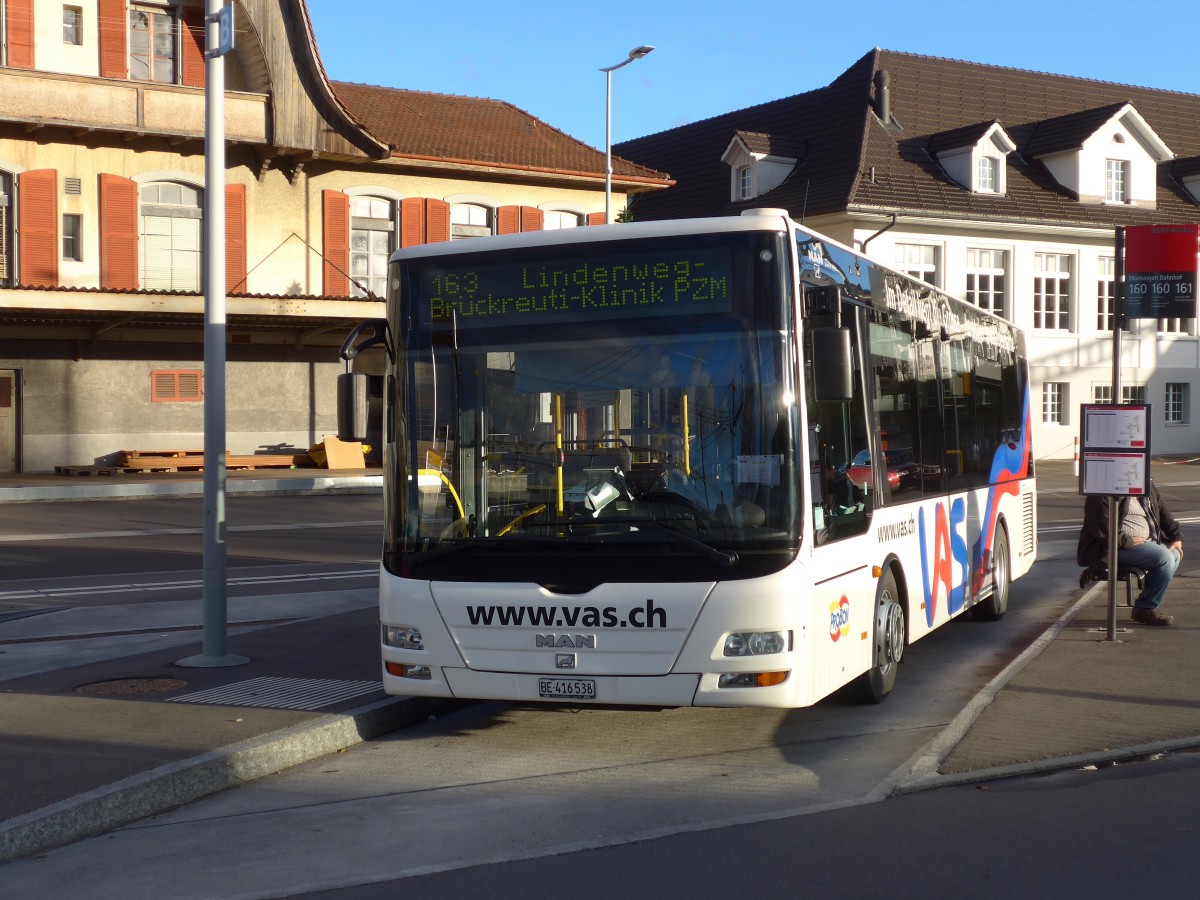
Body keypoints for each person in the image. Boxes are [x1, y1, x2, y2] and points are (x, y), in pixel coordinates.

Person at [1077, 481, 1183, 626]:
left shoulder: (1145, 481)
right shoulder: (1104, 487)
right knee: (1164, 558)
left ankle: (1146, 605)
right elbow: (1102, 525)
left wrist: (1175, 537)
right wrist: (1127, 541)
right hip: (1113, 548)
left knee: (1174, 553)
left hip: (1145, 543)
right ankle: (1146, 608)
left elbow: (1162, 509)